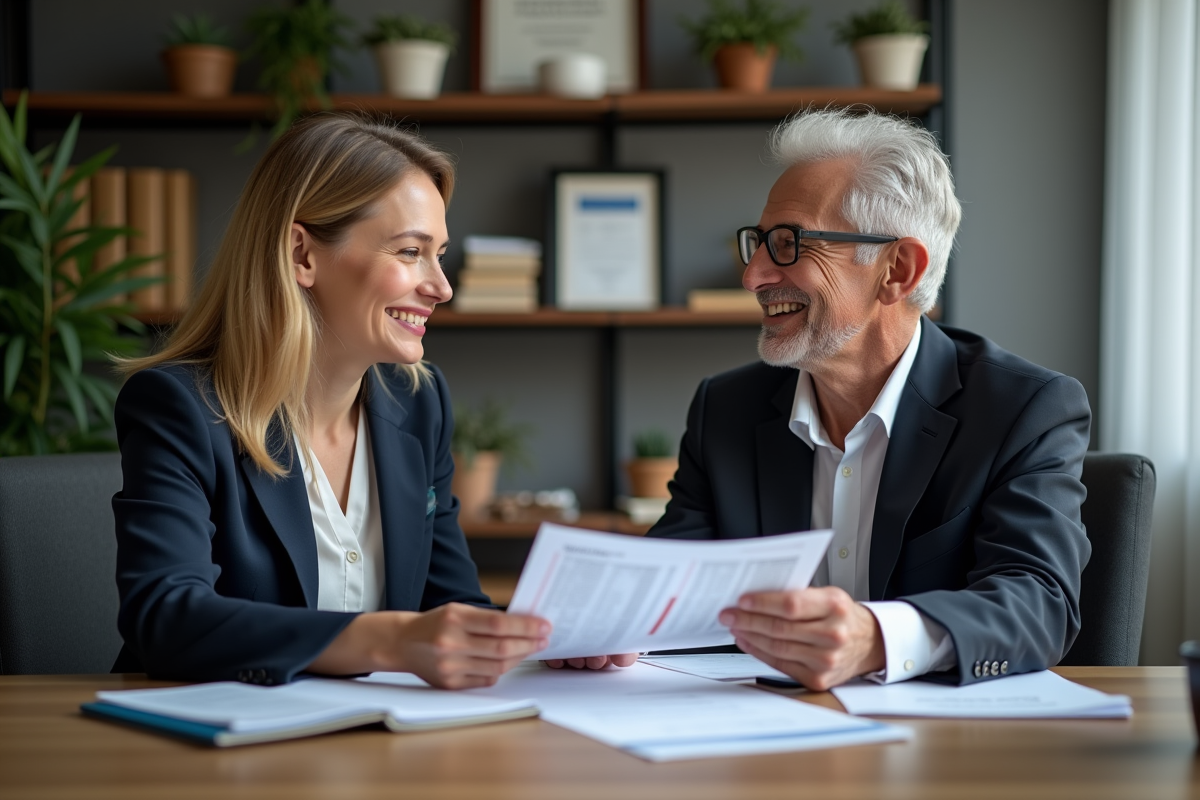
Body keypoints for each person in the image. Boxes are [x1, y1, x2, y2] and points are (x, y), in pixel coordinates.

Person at [649, 108, 1091, 690]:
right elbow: (669, 583)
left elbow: (1038, 601)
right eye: (757, 243)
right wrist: (607, 632)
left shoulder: (1021, 409)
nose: (753, 275)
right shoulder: (725, 408)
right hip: (759, 748)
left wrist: (874, 639)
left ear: (897, 270)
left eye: (789, 243)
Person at [111, 114, 551, 689]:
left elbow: (452, 604)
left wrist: (548, 644)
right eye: (411, 252)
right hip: (212, 757)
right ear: (302, 255)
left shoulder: (421, 403)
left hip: (376, 748)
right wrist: (389, 639)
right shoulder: (181, 407)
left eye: (439, 254)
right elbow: (165, 619)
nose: (441, 286)